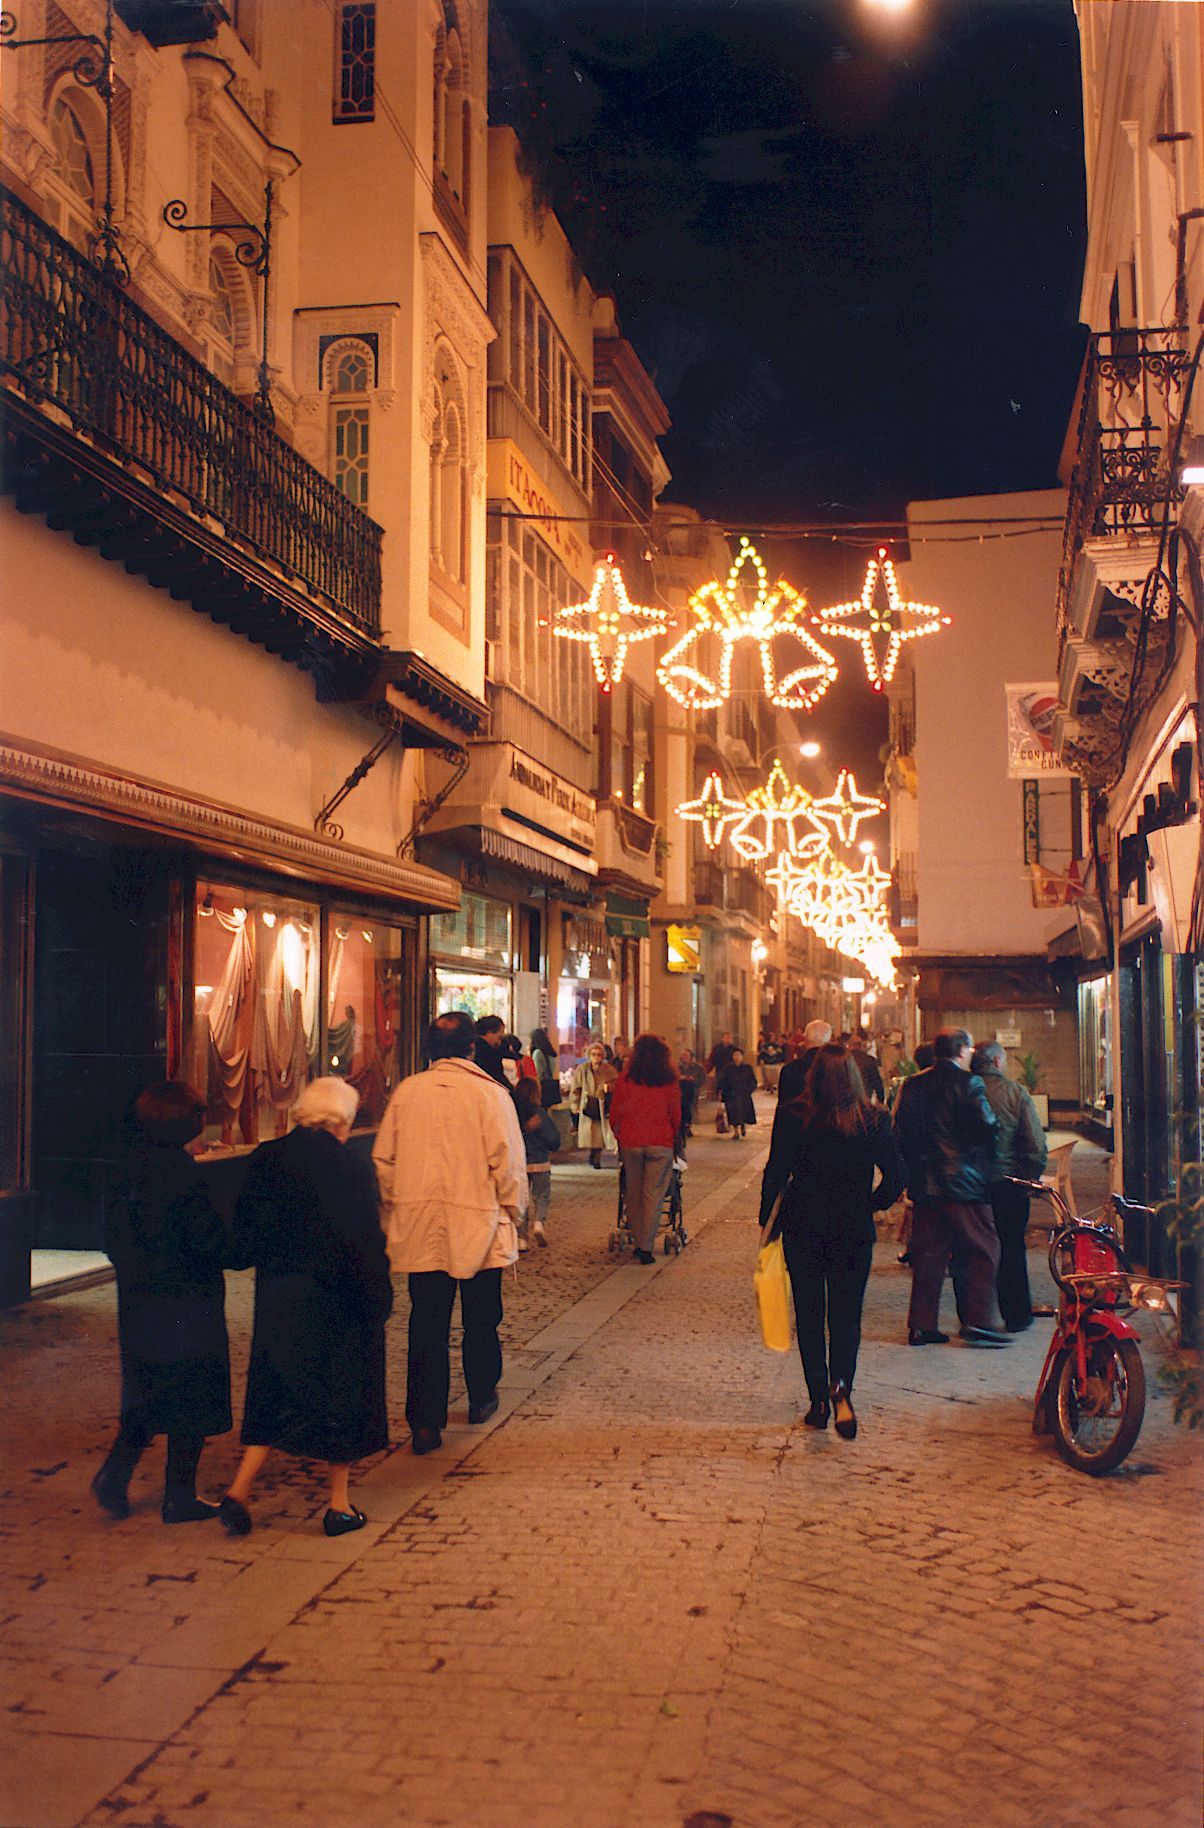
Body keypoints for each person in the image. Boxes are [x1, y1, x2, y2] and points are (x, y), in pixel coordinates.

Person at [219, 1077, 392, 1538]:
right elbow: (365, 1241)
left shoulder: (266, 1158)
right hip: (338, 1299)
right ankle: (338, 1505)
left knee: (272, 1391)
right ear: (341, 1121)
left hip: (280, 1295)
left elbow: (242, 1234)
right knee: (342, 1398)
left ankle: (239, 1489)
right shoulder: (351, 1167)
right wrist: (379, 1298)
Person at [374, 1011, 527, 1454]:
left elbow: (384, 1161)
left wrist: (398, 1206)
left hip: (420, 1224)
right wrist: (512, 1212)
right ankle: (481, 1396)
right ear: (472, 1048)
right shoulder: (490, 1095)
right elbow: (509, 1164)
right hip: (478, 1220)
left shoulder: (407, 1093)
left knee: (426, 1323)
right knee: (482, 1319)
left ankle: (424, 1422)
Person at [93, 1081, 231, 1525]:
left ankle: (115, 1477)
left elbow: (112, 1235)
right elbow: (208, 1242)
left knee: (145, 1391)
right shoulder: (186, 1177)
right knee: (191, 1395)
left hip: (139, 1301)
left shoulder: (128, 1171)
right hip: (187, 1302)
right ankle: (179, 1494)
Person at [760, 1045, 906, 1438]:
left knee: (809, 1316)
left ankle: (818, 1401)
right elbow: (895, 1176)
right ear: (856, 1078)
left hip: (803, 1227)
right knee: (846, 1317)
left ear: (813, 1077)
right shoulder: (873, 1119)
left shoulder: (792, 1116)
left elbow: (775, 1173)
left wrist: (766, 1225)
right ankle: (842, 1387)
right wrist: (871, 1204)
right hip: (852, 1229)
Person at [893, 1027, 1007, 1347]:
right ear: (962, 1050)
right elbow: (987, 1126)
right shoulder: (968, 1082)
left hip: (925, 1184)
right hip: (963, 1183)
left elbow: (899, 1130)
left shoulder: (912, 1084)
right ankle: (979, 1322)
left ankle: (922, 1325)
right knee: (983, 1249)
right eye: (969, 1050)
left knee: (929, 1254)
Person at [971, 1041, 1048, 1331]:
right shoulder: (1016, 1093)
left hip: (970, 1185)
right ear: (997, 1062)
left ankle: (977, 1317)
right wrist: (1028, 1176)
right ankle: (1016, 1316)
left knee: (973, 1251)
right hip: (1008, 1184)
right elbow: (1035, 1145)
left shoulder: (961, 1090)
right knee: (1012, 1248)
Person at [609, 1034, 681, 1265]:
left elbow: (615, 1113)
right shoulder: (669, 1081)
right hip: (660, 1142)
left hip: (631, 1142)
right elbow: (676, 1114)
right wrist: (671, 1135)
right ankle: (646, 1247)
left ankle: (638, 1239)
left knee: (634, 1193)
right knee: (654, 1194)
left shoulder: (625, 1080)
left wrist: (620, 1136)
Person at [512, 1075, 560, 1247]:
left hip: (521, 1163)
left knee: (522, 1199)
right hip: (540, 1161)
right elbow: (553, 1140)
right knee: (541, 1195)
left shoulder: (513, 1114)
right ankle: (539, 1223)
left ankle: (521, 1238)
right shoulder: (540, 1114)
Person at [568, 1041, 617, 1167]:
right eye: (594, 1054)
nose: (596, 1057)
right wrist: (575, 1104)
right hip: (587, 1103)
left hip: (602, 1104)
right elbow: (576, 1088)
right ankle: (592, 1153)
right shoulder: (582, 1070)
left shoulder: (609, 1070)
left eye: (599, 1054)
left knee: (600, 1133)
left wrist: (609, 1088)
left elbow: (617, 1084)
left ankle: (596, 1156)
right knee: (589, 1133)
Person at [776, 1018, 834, 1105]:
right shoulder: (837, 1068)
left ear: (805, 1040)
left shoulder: (789, 1069)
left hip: (795, 1117)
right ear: (829, 1041)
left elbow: (783, 1107)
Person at [718, 1046, 758, 1139]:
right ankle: (736, 1132)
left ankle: (743, 1126)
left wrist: (749, 1090)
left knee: (743, 1112)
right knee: (732, 1114)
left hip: (744, 1094)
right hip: (731, 1094)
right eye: (735, 1055)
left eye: (738, 1055)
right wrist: (721, 1091)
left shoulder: (747, 1068)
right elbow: (722, 1080)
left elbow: (753, 1081)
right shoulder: (728, 1068)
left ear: (742, 1057)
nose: (737, 1057)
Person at [472, 1015, 509, 1085]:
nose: (499, 1043)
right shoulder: (489, 1054)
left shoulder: (470, 1048)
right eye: (499, 1037)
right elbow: (497, 1078)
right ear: (490, 1033)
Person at [530, 1027, 561, 1107]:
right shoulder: (550, 1053)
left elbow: (538, 1074)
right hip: (549, 1087)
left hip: (542, 1089)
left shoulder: (537, 1053)